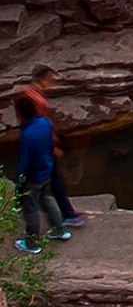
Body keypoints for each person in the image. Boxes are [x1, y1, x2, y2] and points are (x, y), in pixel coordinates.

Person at [18, 68, 84, 229]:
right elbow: (41, 124)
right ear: (41, 78)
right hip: (42, 145)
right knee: (52, 182)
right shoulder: (34, 98)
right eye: (50, 79)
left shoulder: (31, 94)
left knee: (47, 181)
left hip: (37, 143)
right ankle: (67, 216)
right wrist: (53, 145)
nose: (52, 82)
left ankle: (63, 217)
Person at [13, 95, 65, 252]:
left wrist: (19, 182)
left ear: (19, 114)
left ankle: (31, 243)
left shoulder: (27, 135)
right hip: (47, 169)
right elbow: (51, 143)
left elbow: (24, 161)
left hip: (33, 176)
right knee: (47, 198)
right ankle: (59, 229)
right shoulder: (45, 122)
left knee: (31, 209)